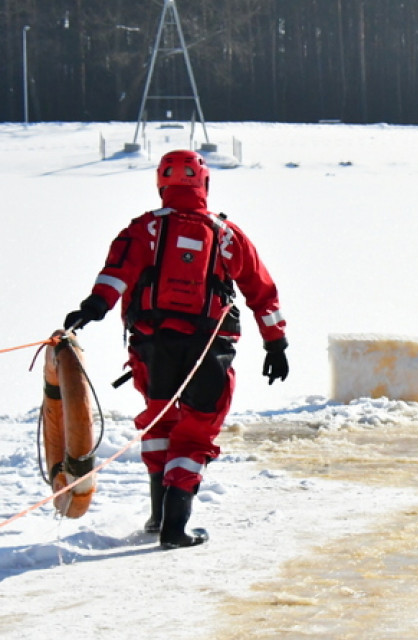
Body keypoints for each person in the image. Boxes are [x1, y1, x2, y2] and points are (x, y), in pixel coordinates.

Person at [63, 149, 289, 549]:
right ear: (203, 184)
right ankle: (174, 525)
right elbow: (261, 291)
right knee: (198, 428)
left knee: (160, 421)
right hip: (210, 348)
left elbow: (115, 274)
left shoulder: (143, 229)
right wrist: (276, 343)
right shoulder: (226, 234)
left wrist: (93, 308)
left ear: (161, 184)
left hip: (153, 346)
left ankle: (158, 514)